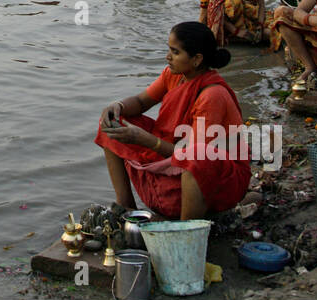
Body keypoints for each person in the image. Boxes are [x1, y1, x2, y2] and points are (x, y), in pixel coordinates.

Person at [95, 22, 251, 220]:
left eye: (175, 52)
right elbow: (142, 101)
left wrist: (145, 139)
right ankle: (126, 207)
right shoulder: (174, 75)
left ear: (196, 60)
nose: (168, 57)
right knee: (112, 123)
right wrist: (118, 106)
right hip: (176, 154)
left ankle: (186, 230)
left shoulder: (212, 95)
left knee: (196, 156)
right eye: (169, 50)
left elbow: (194, 155)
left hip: (217, 178)